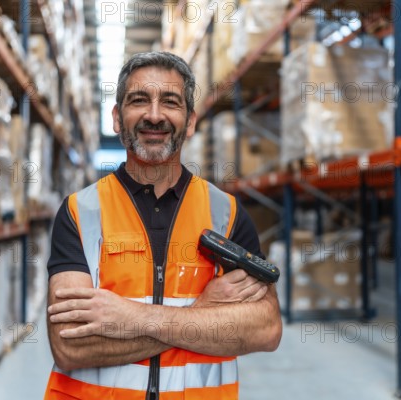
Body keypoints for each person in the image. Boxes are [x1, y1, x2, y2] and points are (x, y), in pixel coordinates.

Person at [44, 51, 282, 400]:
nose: (154, 115)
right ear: (116, 118)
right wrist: (200, 314)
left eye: (169, 102)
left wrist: (132, 317)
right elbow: (70, 347)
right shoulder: (81, 213)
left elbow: (266, 329)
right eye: (139, 100)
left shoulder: (226, 214)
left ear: (190, 122)